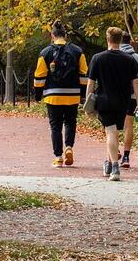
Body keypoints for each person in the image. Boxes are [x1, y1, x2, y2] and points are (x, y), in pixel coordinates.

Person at [87, 27, 138, 181]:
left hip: (104, 100)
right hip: (123, 101)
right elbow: (136, 83)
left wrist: (88, 103)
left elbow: (91, 84)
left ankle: (114, 167)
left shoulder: (98, 58)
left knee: (110, 132)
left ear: (107, 38)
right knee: (115, 131)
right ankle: (109, 163)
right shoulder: (129, 60)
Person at [34, 20, 87, 168]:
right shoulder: (77, 52)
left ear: (52, 35)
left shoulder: (45, 53)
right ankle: (69, 146)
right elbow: (84, 74)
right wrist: (82, 94)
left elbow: (39, 76)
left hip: (53, 95)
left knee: (55, 126)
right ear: (65, 35)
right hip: (72, 94)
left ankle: (58, 157)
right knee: (70, 122)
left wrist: (38, 94)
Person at [119, 31, 138, 168]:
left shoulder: (114, 55)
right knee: (129, 126)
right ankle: (126, 156)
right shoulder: (137, 58)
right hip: (133, 95)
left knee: (113, 126)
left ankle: (114, 151)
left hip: (116, 96)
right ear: (130, 42)